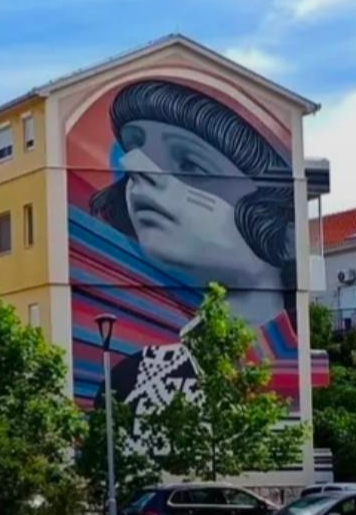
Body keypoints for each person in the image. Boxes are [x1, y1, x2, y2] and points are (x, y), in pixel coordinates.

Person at [85, 79, 297, 412]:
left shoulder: (298, 372)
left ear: (287, 233)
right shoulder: (132, 382)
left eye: (188, 164)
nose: (136, 170)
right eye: (135, 151)